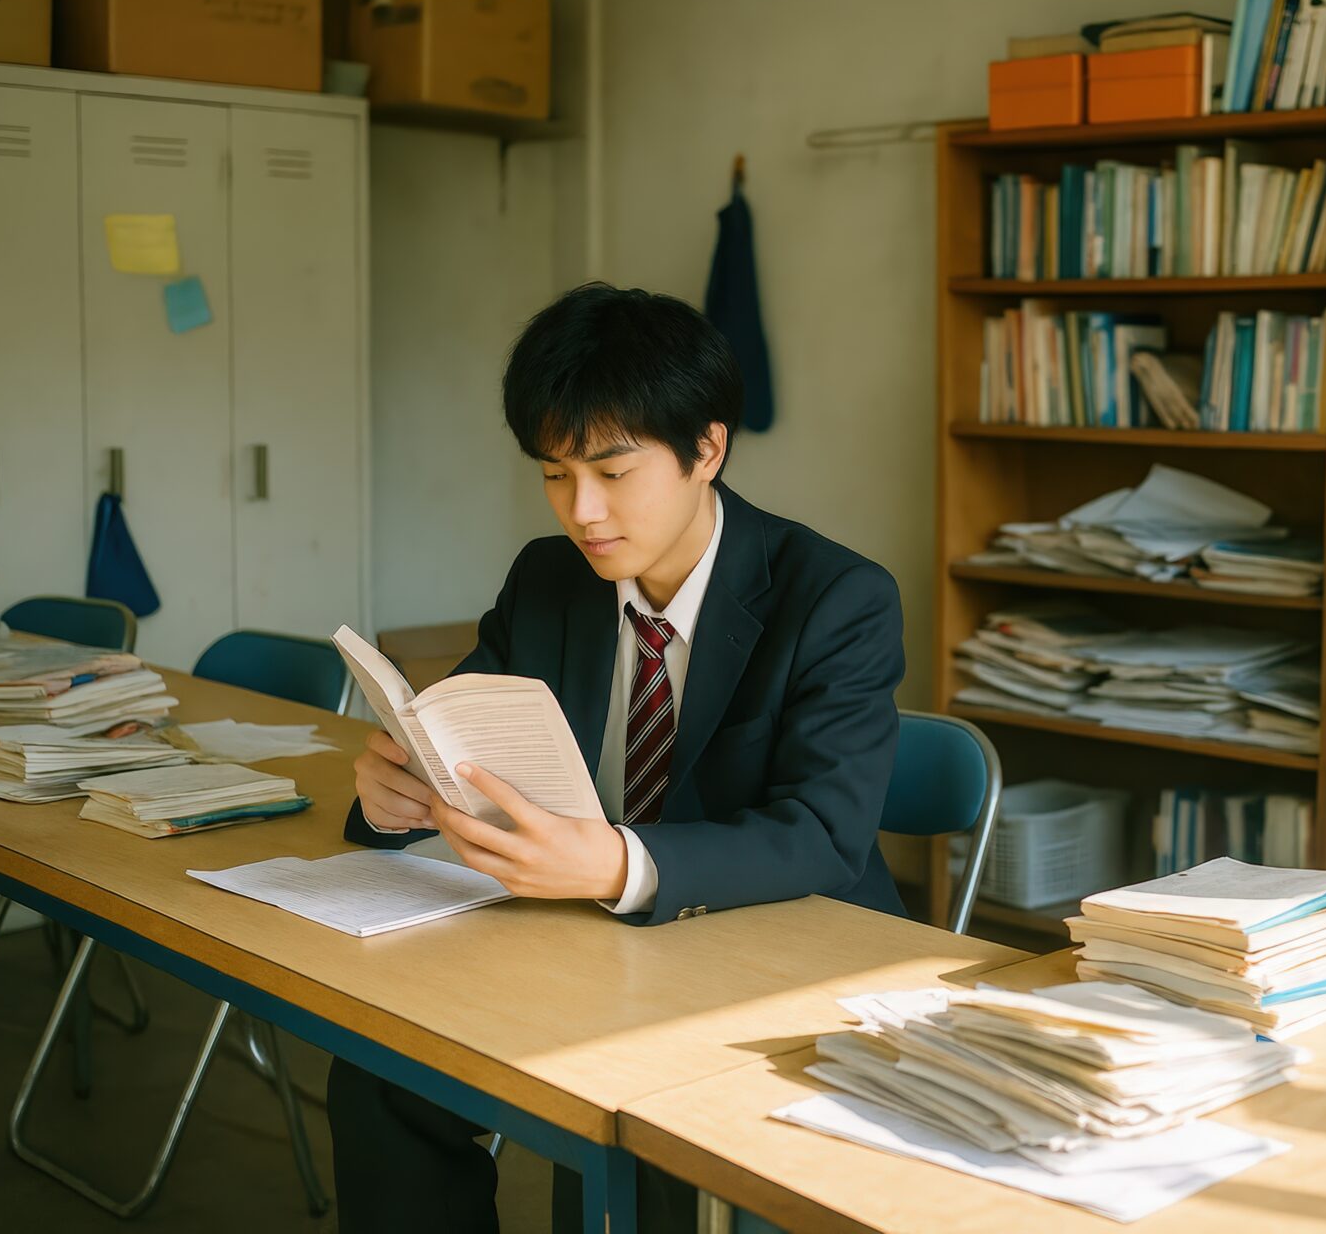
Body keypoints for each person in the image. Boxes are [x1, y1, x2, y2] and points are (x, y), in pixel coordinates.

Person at [325, 282, 906, 1234]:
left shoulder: (834, 598)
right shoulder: (549, 579)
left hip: (781, 956)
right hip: (578, 946)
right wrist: (392, 793)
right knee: (381, 1073)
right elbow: (454, 736)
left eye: (611, 470)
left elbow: (825, 835)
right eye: (554, 475)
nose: (582, 511)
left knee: (631, 1131)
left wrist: (618, 863)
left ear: (706, 449)